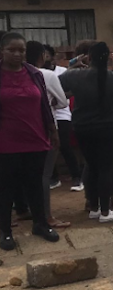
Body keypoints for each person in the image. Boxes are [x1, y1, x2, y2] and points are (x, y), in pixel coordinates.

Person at [59, 41, 113, 223]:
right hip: (109, 127)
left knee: (92, 165)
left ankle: (93, 207)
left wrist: (73, 66)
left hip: (82, 127)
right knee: (106, 168)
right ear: (108, 58)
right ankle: (105, 211)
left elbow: (58, 83)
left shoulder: (76, 76)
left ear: (89, 58)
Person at [0, 32, 61, 250]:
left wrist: (52, 130)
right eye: (12, 50)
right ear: (2, 51)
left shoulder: (34, 74)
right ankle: (5, 231)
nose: (17, 54)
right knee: (6, 187)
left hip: (35, 138)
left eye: (21, 50)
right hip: (6, 142)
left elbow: (44, 103)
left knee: (35, 184)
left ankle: (40, 224)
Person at [25, 42, 70, 228]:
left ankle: (27, 210)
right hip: (47, 127)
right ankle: (46, 216)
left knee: (26, 174)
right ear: (42, 56)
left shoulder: (16, 75)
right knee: (44, 174)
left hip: (22, 129)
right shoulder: (47, 75)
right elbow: (63, 102)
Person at [43, 45, 84, 191]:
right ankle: (54, 178)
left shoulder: (62, 71)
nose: (45, 58)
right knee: (47, 146)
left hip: (62, 113)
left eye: (47, 55)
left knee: (64, 145)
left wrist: (58, 97)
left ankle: (77, 177)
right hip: (46, 114)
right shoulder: (38, 73)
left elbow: (71, 91)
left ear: (52, 57)